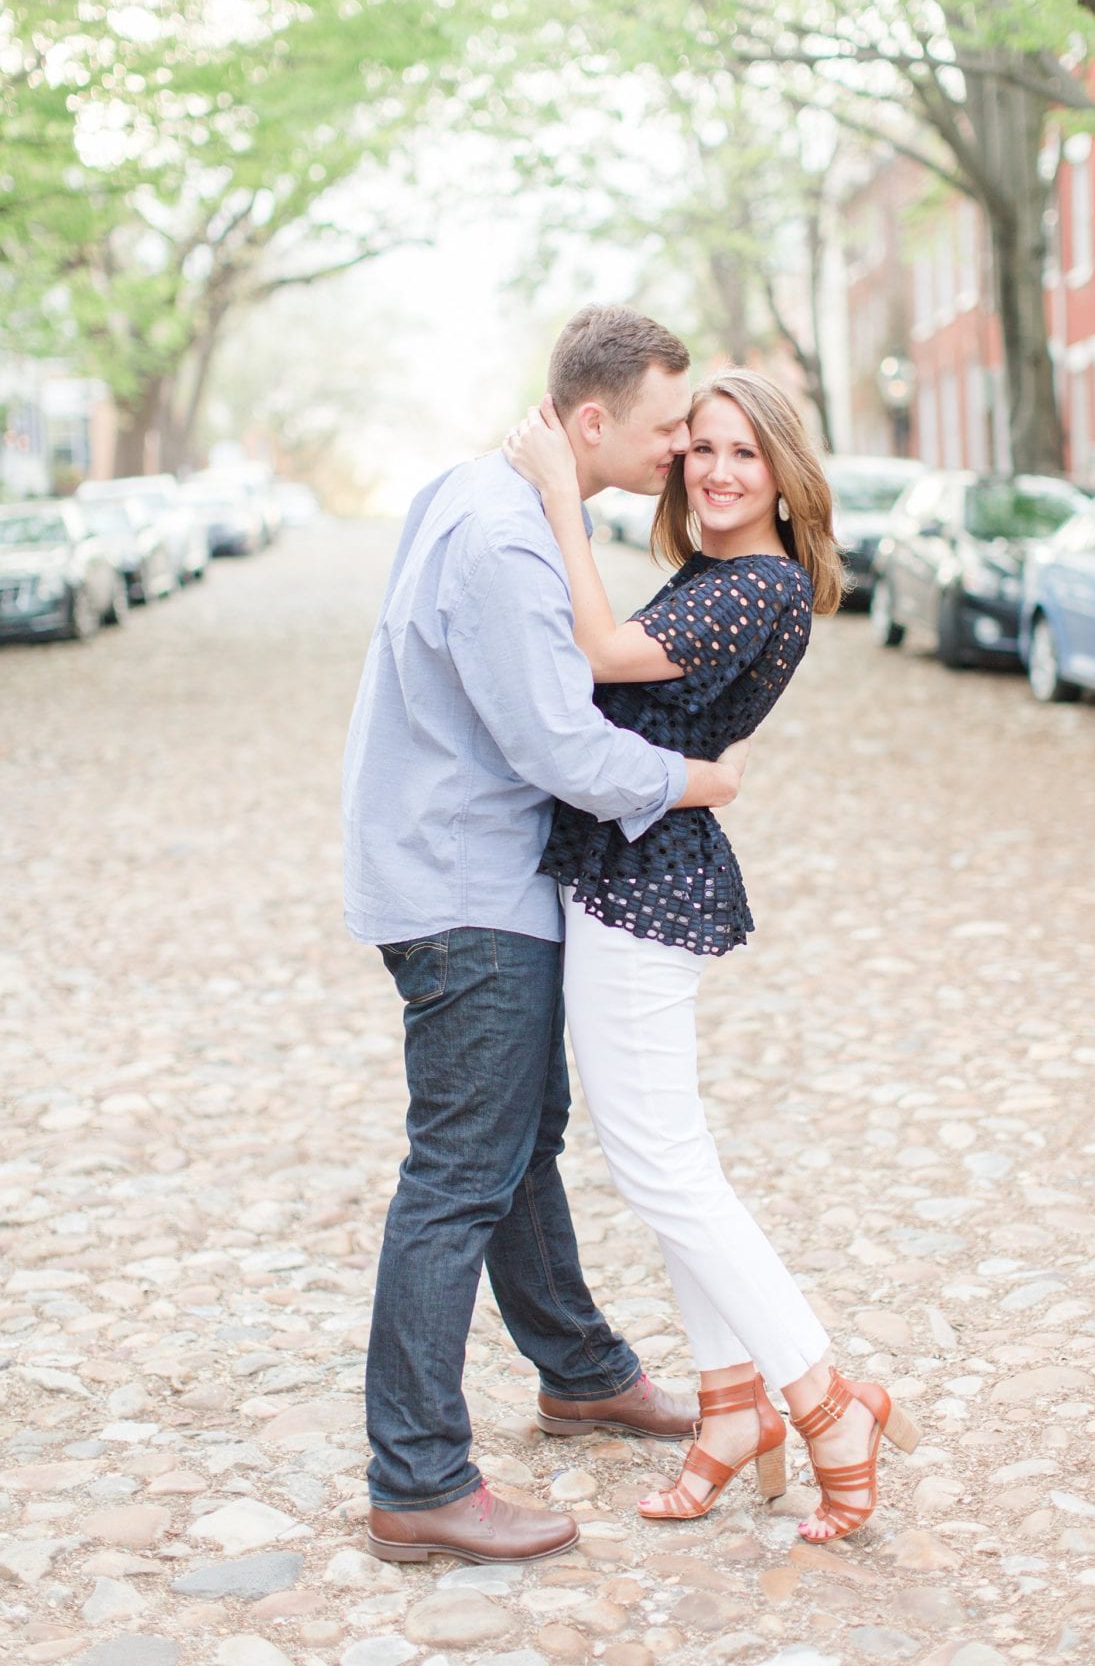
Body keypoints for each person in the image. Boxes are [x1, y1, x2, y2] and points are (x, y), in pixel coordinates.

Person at [342, 306, 752, 1567]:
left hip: (460, 870)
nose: (686, 448)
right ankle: (417, 1477)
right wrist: (696, 781)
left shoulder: (480, 490)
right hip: (467, 889)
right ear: (590, 420)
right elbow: (557, 744)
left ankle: (580, 1372)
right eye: (669, 424)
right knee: (463, 1169)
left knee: (522, 1143)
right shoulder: (506, 541)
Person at [505, 367, 920, 1544]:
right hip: (629, 873)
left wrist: (557, 496)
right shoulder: (717, 574)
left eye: (746, 453)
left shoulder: (757, 585)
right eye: (704, 449)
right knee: (668, 1166)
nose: (720, 470)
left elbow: (596, 644)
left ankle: (827, 1401)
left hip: (644, 890)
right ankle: (730, 1405)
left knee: (663, 1171)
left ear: (787, 473)